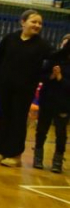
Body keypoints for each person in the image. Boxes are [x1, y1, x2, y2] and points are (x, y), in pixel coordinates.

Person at [0, 10, 56, 167]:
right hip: (5, 86)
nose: (37, 25)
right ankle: (0, 151)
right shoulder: (9, 39)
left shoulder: (42, 45)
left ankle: (14, 155)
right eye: (34, 21)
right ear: (23, 22)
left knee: (18, 120)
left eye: (40, 23)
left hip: (25, 89)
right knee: (4, 117)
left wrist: (46, 76)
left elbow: (53, 59)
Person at [34, 34, 70, 173]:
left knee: (61, 132)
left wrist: (61, 78)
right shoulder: (54, 59)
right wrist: (51, 76)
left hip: (64, 103)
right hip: (48, 99)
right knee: (42, 129)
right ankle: (38, 157)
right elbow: (41, 75)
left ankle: (57, 160)